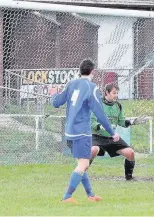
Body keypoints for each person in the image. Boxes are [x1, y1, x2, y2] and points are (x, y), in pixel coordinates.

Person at [51, 59, 120, 203]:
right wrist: (112, 133)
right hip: (82, 132)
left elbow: (56, 103)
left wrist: (53, 95)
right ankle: (67, 197)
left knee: (82, 164)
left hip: (69, 132)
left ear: (80, 70)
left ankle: (90, 195)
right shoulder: (91, 87)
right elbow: (100, 113)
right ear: (92, 72)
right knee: (83, 165)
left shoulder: (71, 84)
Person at [90, 84, 147, 180]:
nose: (116, 95)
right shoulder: (97, 104)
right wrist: (102, 126)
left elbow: (121, 121)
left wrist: (133, 122)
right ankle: (81, 173)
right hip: (97, 136)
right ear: (106, 93)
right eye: (113, 93)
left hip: (111, 138)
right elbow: (91, 122)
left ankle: (129, 177)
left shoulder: (118, 106)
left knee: (130, 153)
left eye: (117, 93)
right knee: (93, 150)